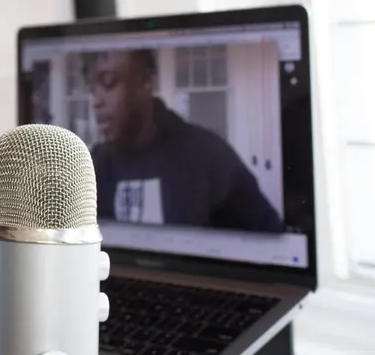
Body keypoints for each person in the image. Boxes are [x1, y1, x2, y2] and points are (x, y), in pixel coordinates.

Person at [84, 50, 284, 233]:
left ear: (145, 82)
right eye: (92, 89)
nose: (96, 101)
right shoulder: (96, 165)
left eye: (108, 83)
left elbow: (271, 241)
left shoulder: (209, 158)